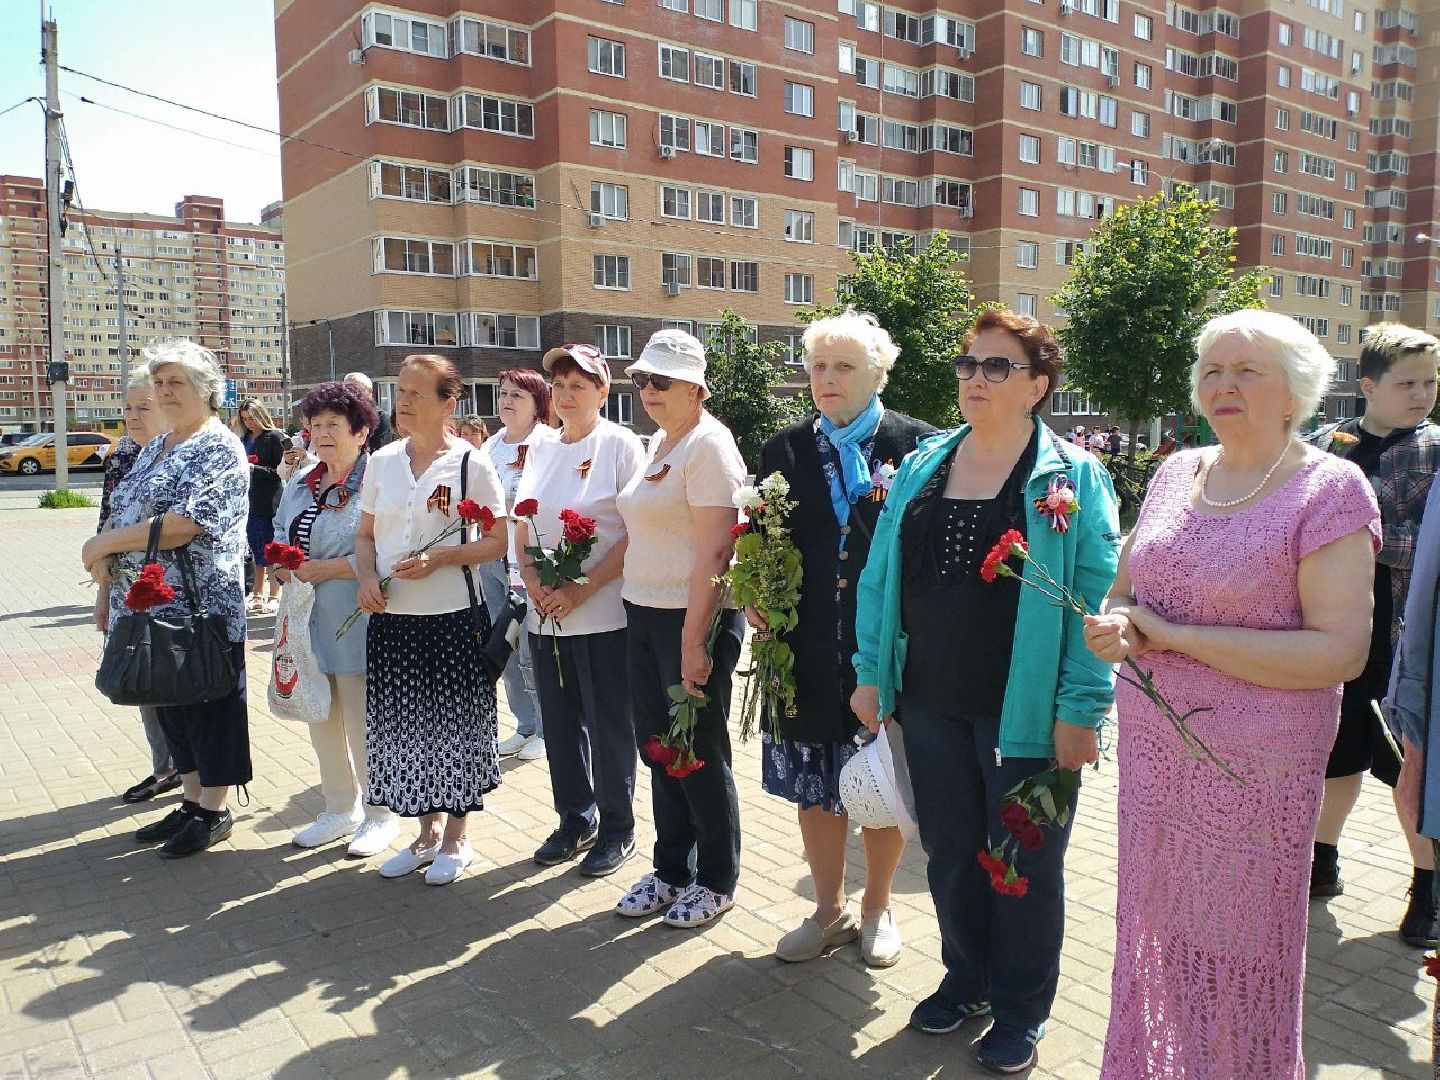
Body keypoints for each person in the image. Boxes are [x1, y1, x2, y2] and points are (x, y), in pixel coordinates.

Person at [1085, 310, 1380, 1077]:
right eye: (1212, 370)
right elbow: (1126, 589)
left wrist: (1174, 636)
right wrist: (1119, 625)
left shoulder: (1330, 490)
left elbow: (1339, 652)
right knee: (1168, 931)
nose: (1223, 384)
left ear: (1295, 391)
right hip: (1159, 758)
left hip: (1255, 771)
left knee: (1243, 951)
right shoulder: (1176, 471)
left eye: (1246, 370)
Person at [852, 309, 1120, 1073]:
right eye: (968, 364)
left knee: (1023, 864)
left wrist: (1080, 711)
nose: (976, 378)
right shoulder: (924, 465)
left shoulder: (1072, 477)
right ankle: (965, 979)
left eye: (997, 367)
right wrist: (871, 673)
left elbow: (1095, 601)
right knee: (950, 854)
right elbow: (881, 580)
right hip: (930, 702)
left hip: (1027, 712)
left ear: (1037, 386)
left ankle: (1021, 1007)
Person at [753, 310, 934, 966]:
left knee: (878, 784)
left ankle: (877, 909)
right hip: (802, 652)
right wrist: (756, 595)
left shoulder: (918, 446)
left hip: (882, 656)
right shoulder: (786, 449)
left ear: (878, 372)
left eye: (843, 367)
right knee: (815, 785)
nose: (825, 379)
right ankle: (827, 912)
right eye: (817, 367)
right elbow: (763, 539)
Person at [82, 339, 252, 859]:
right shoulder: (158, 446)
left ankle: (214, 810)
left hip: (202, 608)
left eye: (175, 382)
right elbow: (123, 508)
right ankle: (190, 798)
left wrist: (104, 545)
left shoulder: (218, 447)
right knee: (171, 704)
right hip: (149, 604)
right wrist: (106, 581)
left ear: (206, 390)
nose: (164, 392)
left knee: (210, 705)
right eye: (159, 383)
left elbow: (184, 525)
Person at [1303, 323, 1440, 942]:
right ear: (1367, 384)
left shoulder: (1434, 448)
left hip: (1408, 635)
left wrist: (1357, 538)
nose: (1421, 394)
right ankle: (1322, 860)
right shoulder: (1330, 444)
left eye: (1430, 382)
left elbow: (1420, 542)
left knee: (1411, 764)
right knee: (1338, 755)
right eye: (1407, 382)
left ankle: (1427, 890)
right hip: (1335, 631)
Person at [612, 330, 748, 927]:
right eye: (642, 379)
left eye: (661, 381)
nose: (647, 390)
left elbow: (717, 552)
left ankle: (716, 877)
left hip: (690, 619)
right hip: (643, 611)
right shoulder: (663, 442)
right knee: (658, 747)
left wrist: (696, 641)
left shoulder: (709, 446)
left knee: (697, 750)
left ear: (695, 386)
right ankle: (671, 868)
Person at [355, 355, 508, 885]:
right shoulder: (382, 462)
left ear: (449, 403)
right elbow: (365, 536)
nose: (403, 401)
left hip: (452, 620)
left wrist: (441, 557)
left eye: (418, 393)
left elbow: (496, 541)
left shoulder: (471, 465)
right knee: (406, 729)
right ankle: (423, 834)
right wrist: (365, 579)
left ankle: (456, 840)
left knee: (453, 728)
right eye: (400, 390)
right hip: (393, 620)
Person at [514, 344, 645, 877]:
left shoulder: (620, 445)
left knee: (609, 726)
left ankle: (617, 828)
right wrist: (530, 578)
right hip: (545, 614)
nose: (567, 395)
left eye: (580, 386)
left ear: (602, 392)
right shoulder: (541, 446)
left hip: (603, 614)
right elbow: (520, 521)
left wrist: (581, 588)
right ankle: (575, 817)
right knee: (560, 725)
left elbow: (636, 531)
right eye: (560, 385)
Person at [274, 381, 400, 857]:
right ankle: (337, 807)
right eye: (315, 424)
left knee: (364, 716)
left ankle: (380, 814)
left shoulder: (379, 482)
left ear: (362, 431)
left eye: (334, 425)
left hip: (357, 615)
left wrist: (328, 568)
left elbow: (390, 550)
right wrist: (283, 561)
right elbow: (285, 535)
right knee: (319, 712)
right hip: (306, 617)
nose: (322, 433)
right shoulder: (302, 483)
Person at [98, 371, 180, 805]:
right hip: (127, 593)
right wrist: (102, 594)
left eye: (142, 407)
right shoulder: (123, 457)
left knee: (178, 683)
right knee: (143, 682)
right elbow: (104, 531)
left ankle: (192, 771)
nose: (132, 416)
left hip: (175, 597)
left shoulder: (180, 456)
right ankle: (163, 767)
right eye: (127, 408)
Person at [478, 370, 557, 762]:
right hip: (490, 559)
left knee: (533, 646)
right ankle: (524, 724)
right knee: (504, 643)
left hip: (527, 561)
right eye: (503, 393)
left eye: (518, 396)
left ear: (538, 404)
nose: (507, 401)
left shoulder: (548, 443)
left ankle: (547, 727)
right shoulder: (491, 445)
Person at [238, 399, 288, 614]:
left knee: (270, 548)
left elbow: (281, 471)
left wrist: (254, 469)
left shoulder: (274, 438)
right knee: (255, 547)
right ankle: (257, 592)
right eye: (245, 419)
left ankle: (274, 593)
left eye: (252, 418)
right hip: (250, 501)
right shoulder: (245, 439)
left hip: (270, 500)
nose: (249, 423)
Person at [345, 371, 395, 452]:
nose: (351, 395)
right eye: (346, 391)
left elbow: (379, 451)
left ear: (369, 392)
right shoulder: (342, 417)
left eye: (356, 390)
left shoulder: (381, 418)